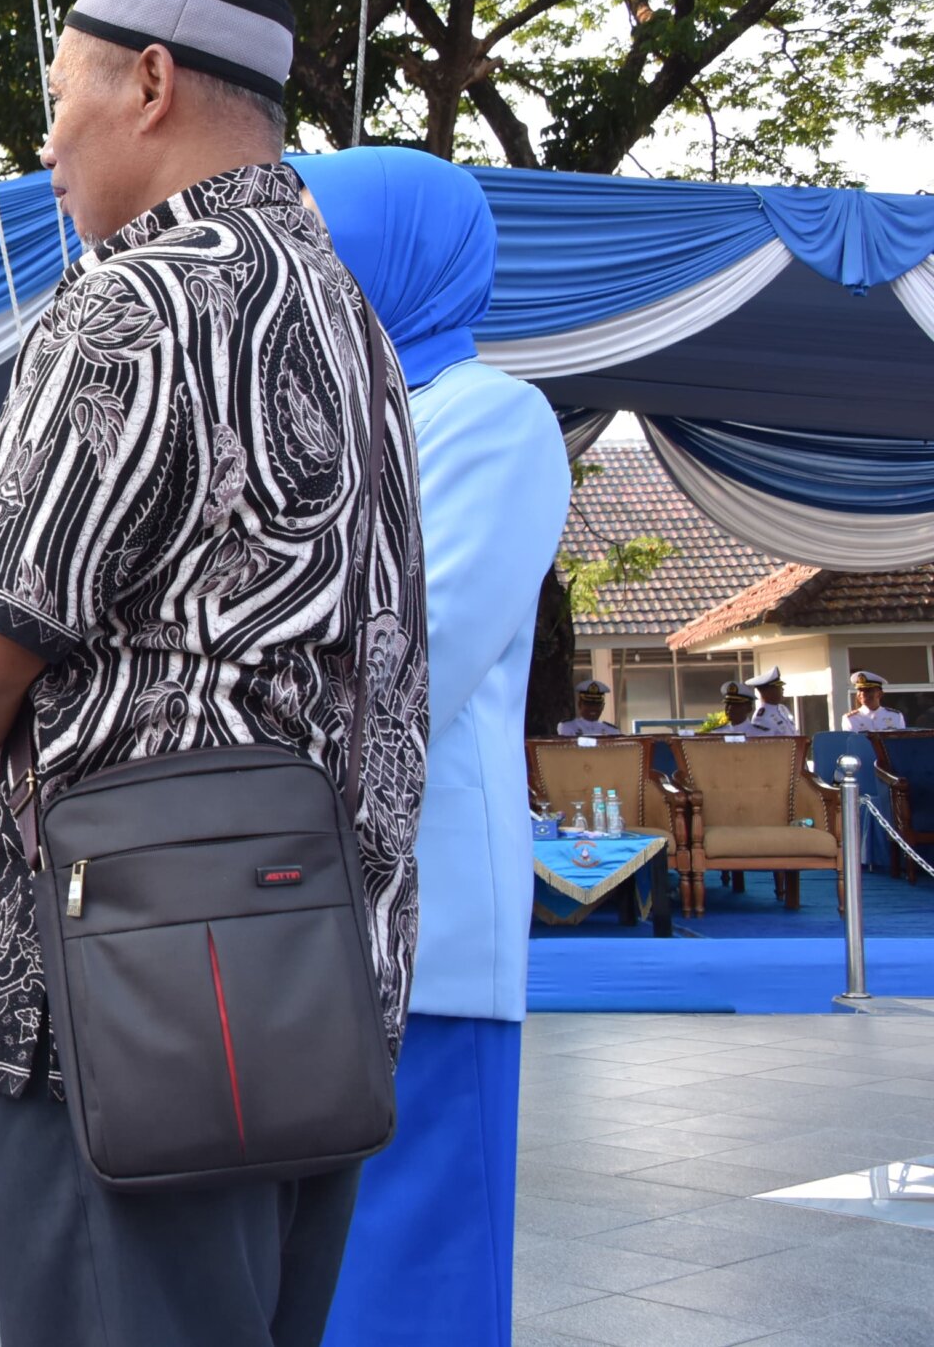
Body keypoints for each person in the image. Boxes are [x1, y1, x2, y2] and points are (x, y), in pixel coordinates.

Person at [0, 0, 428, 1347]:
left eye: (60, 99)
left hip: (124, 982)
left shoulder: (138, 301)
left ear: (153, 82)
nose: (47, 144)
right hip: (312, 976)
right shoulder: (348, 310)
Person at [293, 147, 567, 1347]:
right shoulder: (328, 423)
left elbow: (410, 659)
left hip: (427, 933)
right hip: (293, 920)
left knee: (413, 1285)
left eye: (321, 239)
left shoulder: (489, 420)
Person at [748, 666, 798, 735]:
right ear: (768, 692)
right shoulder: (761, 718)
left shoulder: (782, 708)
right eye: (778, 687)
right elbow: (766, 744)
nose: (782, 689)